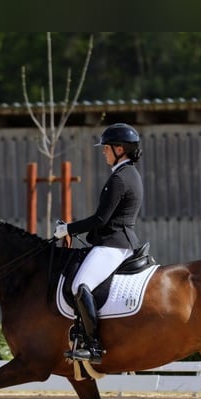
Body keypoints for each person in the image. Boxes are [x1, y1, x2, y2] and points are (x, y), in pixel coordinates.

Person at [54, 122, 144, 364]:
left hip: (113, 244)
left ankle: (93, 345)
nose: (103, 152)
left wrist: (67, 229)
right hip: (116, 241)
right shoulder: (127, 174)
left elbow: (100, 219)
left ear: (120, 149)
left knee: (80, 285)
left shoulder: (120, 178)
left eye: (106, 148)